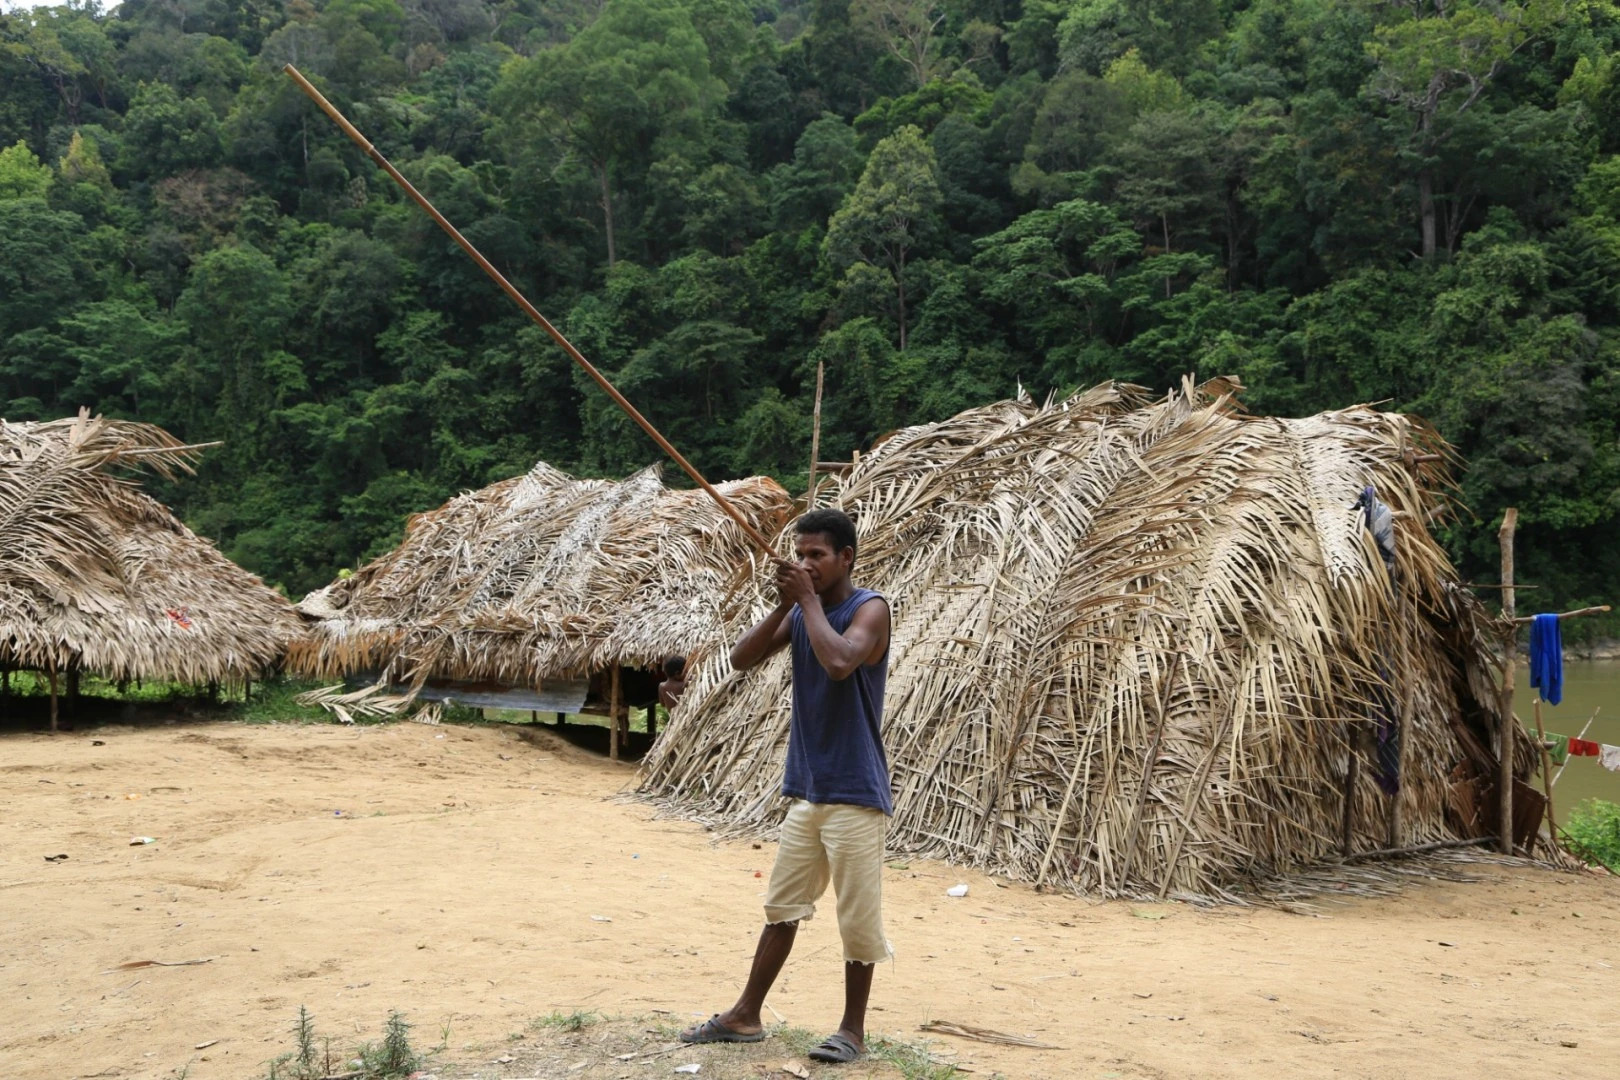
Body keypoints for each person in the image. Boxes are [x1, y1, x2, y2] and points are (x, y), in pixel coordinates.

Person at [679, 507, 892, 1065]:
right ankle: (745, 1015)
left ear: (846, 557)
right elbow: (741, 658)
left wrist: (806, 602)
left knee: (856, 918)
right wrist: (785, 601)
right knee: (782, 907)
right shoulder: (801, 611)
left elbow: (841, 661)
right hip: (809, 788)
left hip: (856, 791)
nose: (806, 563)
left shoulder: (869, 608)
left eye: (816, 555)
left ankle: (852, 1031)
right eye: (800, 555)